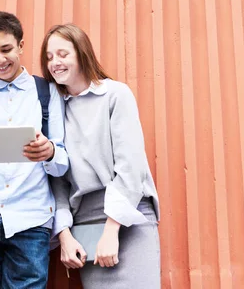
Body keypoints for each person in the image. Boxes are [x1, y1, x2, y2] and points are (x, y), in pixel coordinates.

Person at [40, 23, 161, 288]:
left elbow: (131, 167)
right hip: (84, 223)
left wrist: (111, 230)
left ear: (82, 53)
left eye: (63, 54)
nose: (54, 63)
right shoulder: (55, 110)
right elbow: (56, 179)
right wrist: (64, 237)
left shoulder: (115, 95)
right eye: (49, 57)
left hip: (128, 217)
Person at [0, 11, 69, 289]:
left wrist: (50, 152)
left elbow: (64, 160)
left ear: (20, 45)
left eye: (6, 49)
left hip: (31, 219)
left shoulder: (48, 92)